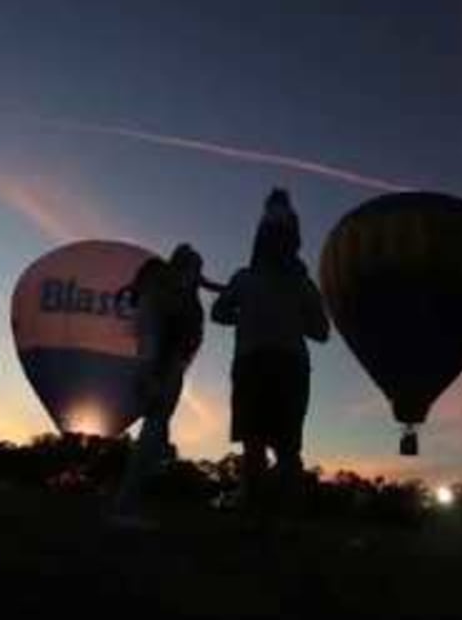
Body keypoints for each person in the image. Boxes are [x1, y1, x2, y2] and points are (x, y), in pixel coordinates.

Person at [211, 188, 330, 520]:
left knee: (254, 446)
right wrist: (290, 318)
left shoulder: (243, 278)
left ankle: (256, 518)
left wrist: (251, 315)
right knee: (288, 449)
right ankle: (287, 521)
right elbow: (321, 332)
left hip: (253, 363)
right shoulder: (303, 286)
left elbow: (219, 313)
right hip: (290, 366)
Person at [110, 243, 206, 526]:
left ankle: (132, 499)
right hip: (160, 370)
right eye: (195, 269)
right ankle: (125, 507)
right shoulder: (165, 293)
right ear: (185, 268)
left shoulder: (168, 292)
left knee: (156, 430)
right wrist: (152, 375)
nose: (198, 276)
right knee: (154, 430)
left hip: (164, 368)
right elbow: (156, 338)